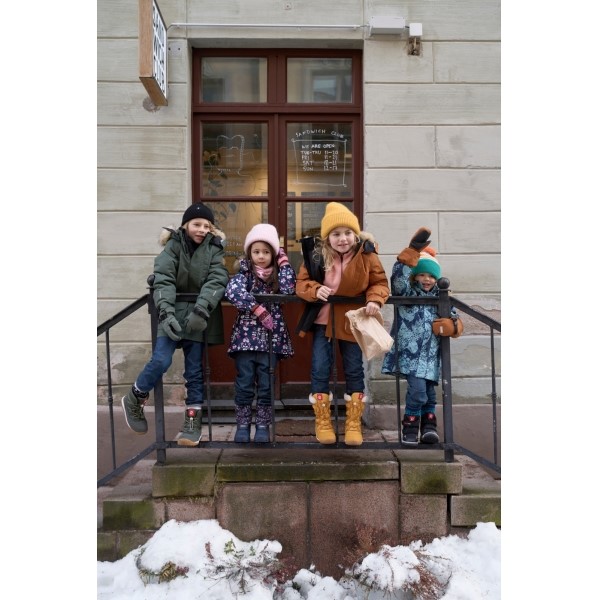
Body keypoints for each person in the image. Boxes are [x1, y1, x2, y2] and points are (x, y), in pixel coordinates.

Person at [121, 203, 229, 447]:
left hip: (197, 317)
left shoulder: (214, 249)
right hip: (171, 313)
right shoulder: (173, 246)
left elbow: (217, 278)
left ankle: (192, 423)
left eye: (207, 226)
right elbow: (164, 279)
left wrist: (202, 309)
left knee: (194, 371)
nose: (202, 230)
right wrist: (166, 313)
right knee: (161, 360)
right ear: (185, 225)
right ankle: (135, 397)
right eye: (197, 224)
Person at [296, 202, 390, 446]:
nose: (343, 239)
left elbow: (379, 283)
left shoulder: (367, 254)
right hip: (323, 321)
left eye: (348, 232)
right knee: (320, 368)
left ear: (355, 234)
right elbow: (301, 283)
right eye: (336, 234)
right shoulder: (316, 255)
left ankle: (353, 424)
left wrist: (375, 300)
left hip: (352, 322)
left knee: (354, 369)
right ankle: (323, 422)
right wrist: (315, 290)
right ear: (327, 237)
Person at [381, 227, 464, 445]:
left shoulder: (440, 298)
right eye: (422, 274)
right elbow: (398, 281)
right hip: (410, 356)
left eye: (431, 276)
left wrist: (453, 325)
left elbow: (455, 318)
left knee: (430, 394)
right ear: (415, 276)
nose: (427, 279)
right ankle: (410, 428)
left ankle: (429, 428)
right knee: (418, 392)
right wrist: (411, 252)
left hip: (430, 357)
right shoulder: (408, 295)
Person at [224, 224, 296, 443]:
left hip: (270, 340)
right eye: (256, 252)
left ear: (273, 254)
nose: (261, 256)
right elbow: (233, 291)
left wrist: (284, 263)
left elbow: (288, 289)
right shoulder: (244, 274)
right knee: (244, 382)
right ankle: (243, 425)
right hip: (246, 340)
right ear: (250, 253)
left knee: (266, 384)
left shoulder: (278, 275)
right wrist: (258, 309)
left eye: (266, 252)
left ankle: (263, 425)